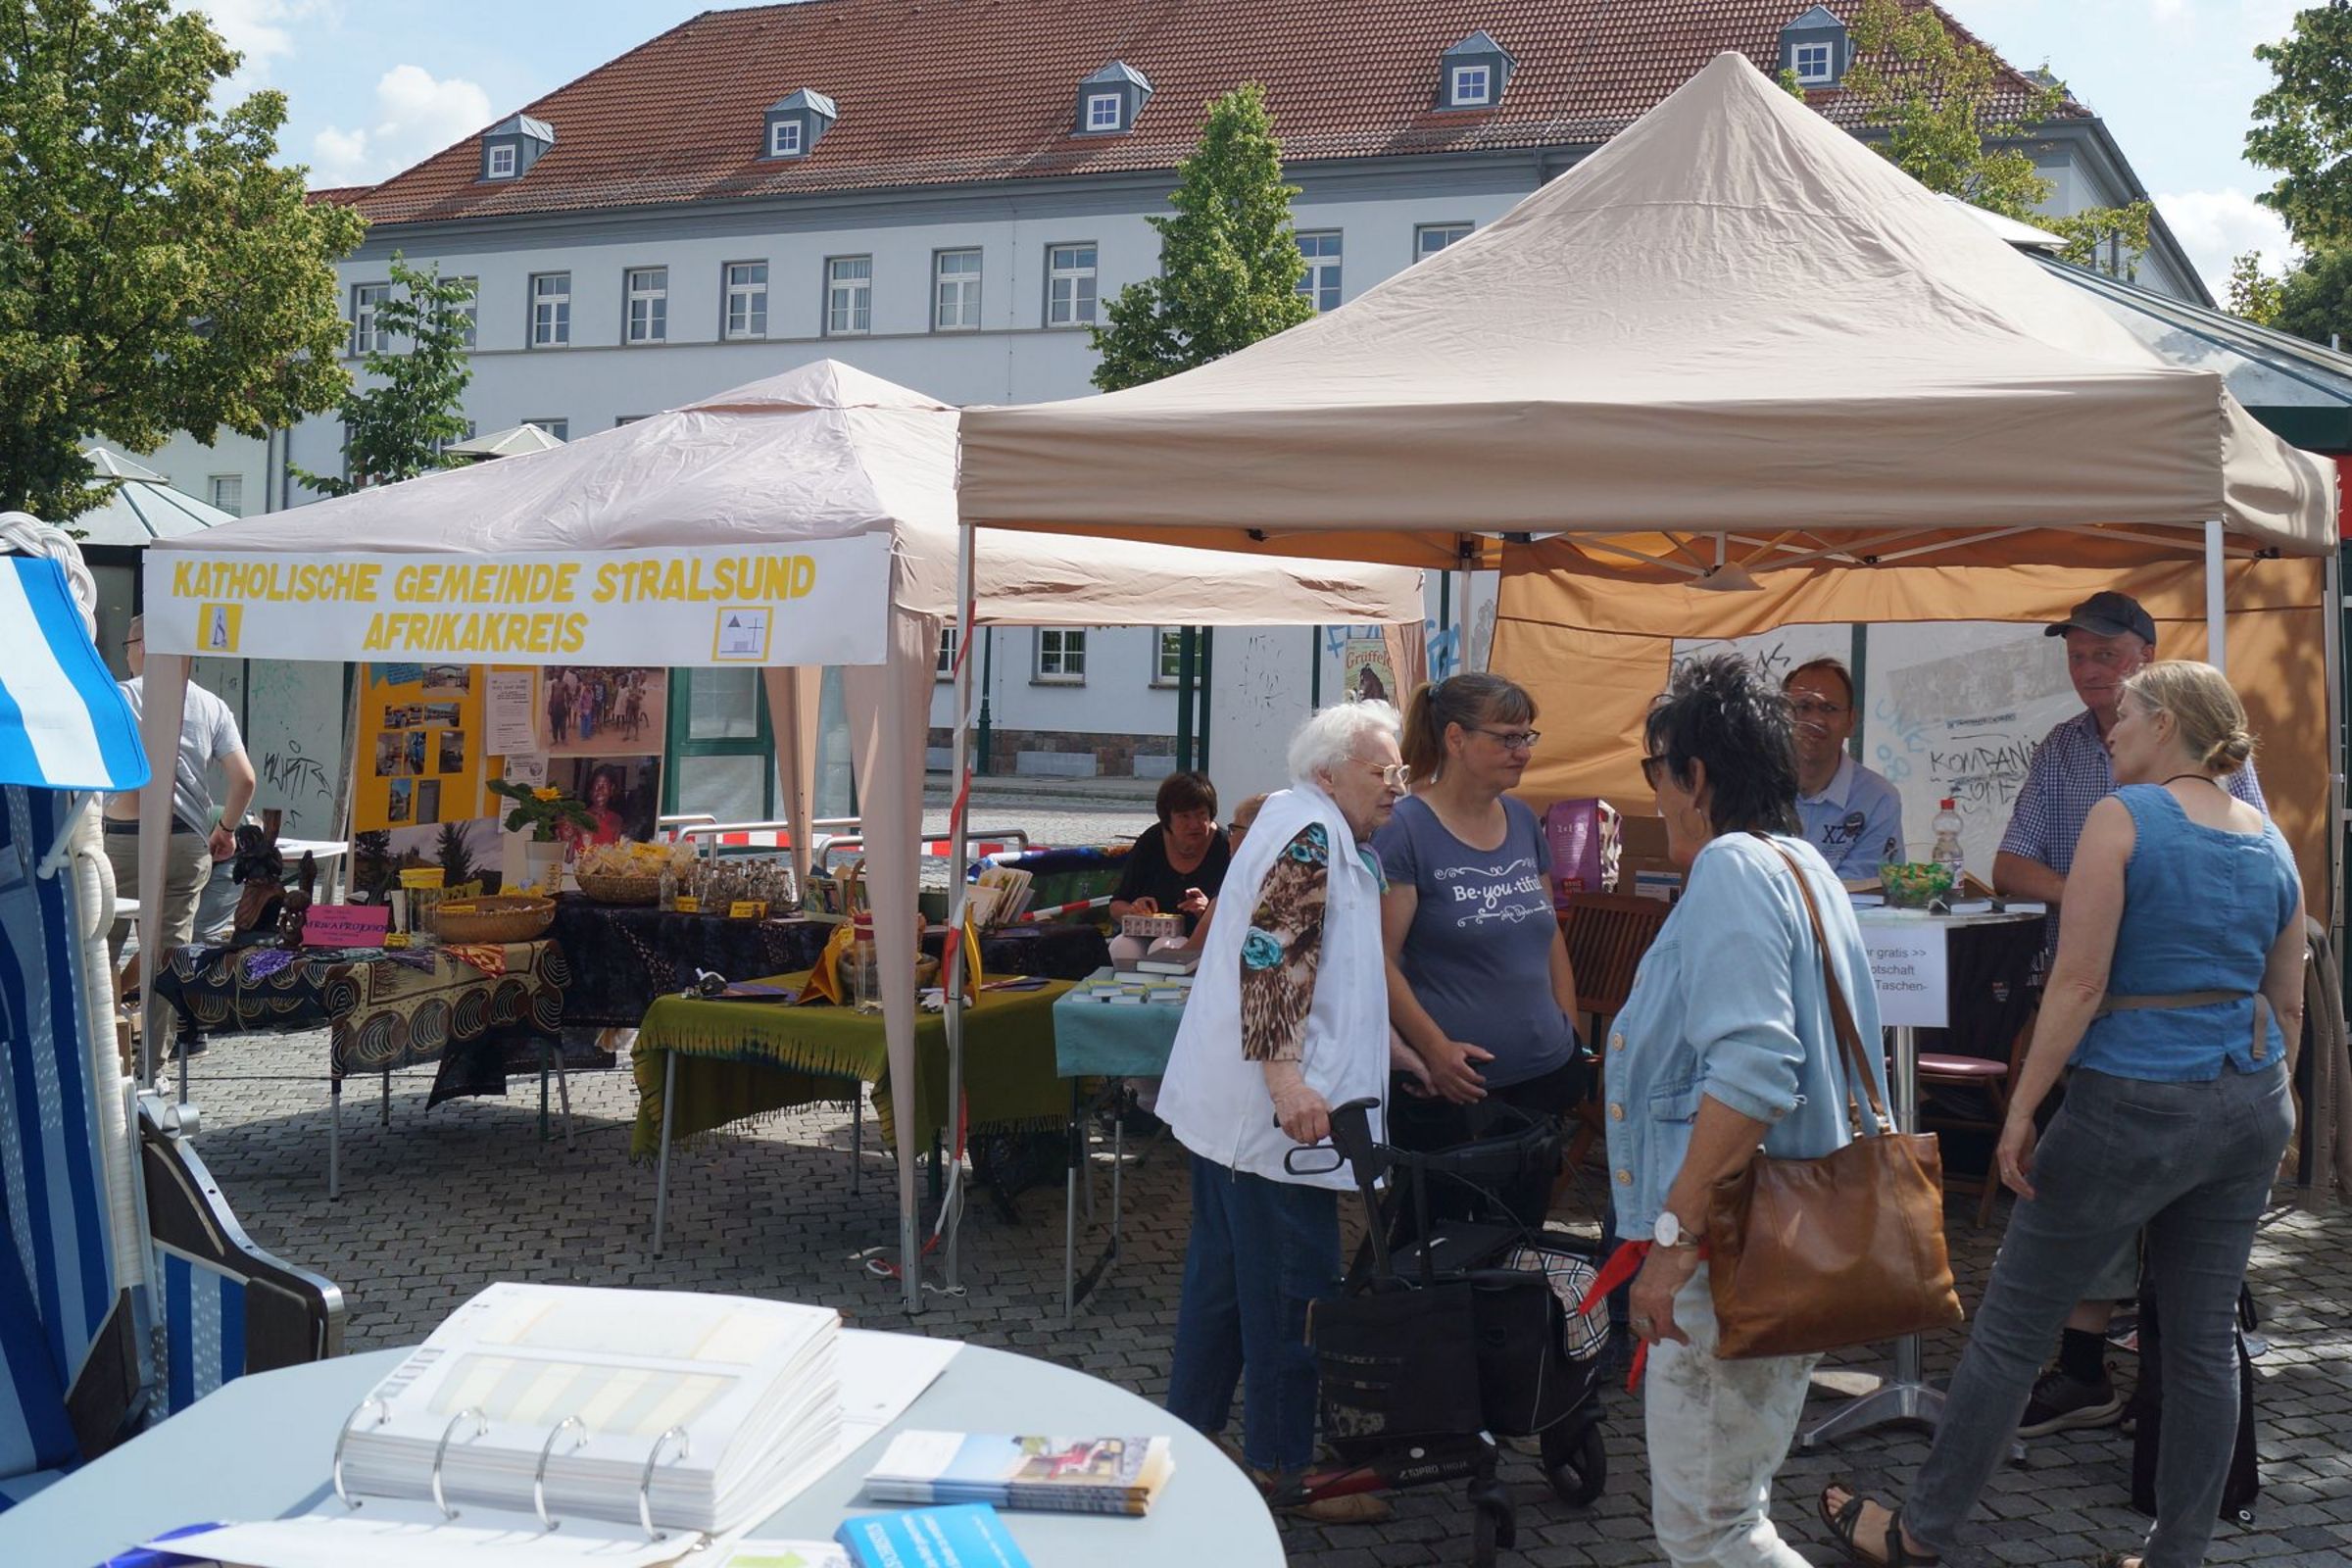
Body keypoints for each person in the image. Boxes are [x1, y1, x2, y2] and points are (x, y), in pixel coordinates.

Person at [1822, 662, 2301, 1568]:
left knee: (2013, 1326)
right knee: (2202, 1342)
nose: (2110, 729)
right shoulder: (2268, 837)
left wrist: (2021, 1108)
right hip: (2248, 1100)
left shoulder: (2122, 817)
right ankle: (2177, 1555)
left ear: (2167, 725)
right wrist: (2283, 1108)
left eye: (2126, 715)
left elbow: (2078, 983)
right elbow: (2289, 1003)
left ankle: (1919, 1533)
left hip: (2133, 1100)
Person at [1609, 655, 1886, 1568]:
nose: (1654, 795)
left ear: (1695, 776)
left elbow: (1755, 1073)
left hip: (1730, 1251)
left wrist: (1672, 1241)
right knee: (1727, 1515)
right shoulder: (1801, 863)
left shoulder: (1733, 867)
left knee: (1712, 1531)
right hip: (1780, 1240)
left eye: (1656, 771)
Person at [1992, 591, 2266, 1438]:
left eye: (2105, 656)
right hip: (2090, 1007)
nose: (2088, 672)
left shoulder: (2211, 748)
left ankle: (2155, 1380)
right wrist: (2094, 896)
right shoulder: (2061, 748)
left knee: (2140, 1195)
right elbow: (2009, 865)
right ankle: (2085, 1367)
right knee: (2087, 1195)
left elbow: (2257, 856)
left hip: (2177, 1018)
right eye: (2077, 656)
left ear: (2147, 656)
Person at [1157, 703, 1414, 1526]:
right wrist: (1287, 1085)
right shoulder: (1309, 835)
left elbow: (1330, 971)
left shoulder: (1303, 823)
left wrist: (1392, 1050)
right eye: (1383, 771)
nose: (1397, 786)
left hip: (1236, 1119)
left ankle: (1189, 1437)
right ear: (1328, 773)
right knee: (1291, 1293)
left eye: (1401, 771)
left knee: (1223, 1288)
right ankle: (1282, 1470)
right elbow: (1272, 961)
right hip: (1274, 1128)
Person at [1376, 673, 1583, 1223]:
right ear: (1456, 738)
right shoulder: (1405, 829)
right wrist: (1434, 1050)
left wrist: (1569, 1032)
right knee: (1440, 1241)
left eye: (1527, 737)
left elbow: (1549, 934)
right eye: (1507, 738)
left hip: (1541, 1081)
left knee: (1519, 1238)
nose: (1523, 751)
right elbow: (1380, 959)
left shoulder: (1522, 820)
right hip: (1453, 1093)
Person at [104, 616, 257, 995]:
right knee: (170, 955)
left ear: (142, 647)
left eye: (127, 647)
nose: (127, 657)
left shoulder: (118, 697)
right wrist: (226, 829)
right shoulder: (211, 705)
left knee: (100, 950)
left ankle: (107, 1026)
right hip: (185, 837)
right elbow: (245, 780)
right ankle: (159, 1034)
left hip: (125, 838)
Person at [1785, 658, 1905, 881]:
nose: (1815, 720)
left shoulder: (1878, 799)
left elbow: (1866, 888)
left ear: (1851, 722)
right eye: (1803, 707)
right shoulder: (1750, 788)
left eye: (1829, 708)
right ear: (1780, 717)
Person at [1109, 771, 1230, 936]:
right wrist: (1134, 910)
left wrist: (1207, 912)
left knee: (1165, 946)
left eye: (1201, 814)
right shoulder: (1151, 841)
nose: (1194, 824)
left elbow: (1238, 914)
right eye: (1184, 816)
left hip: (1203, 940)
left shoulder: (1225, 846)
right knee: (1122, 945)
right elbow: (1116, 905)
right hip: (1150, 935)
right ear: (1167, 819)